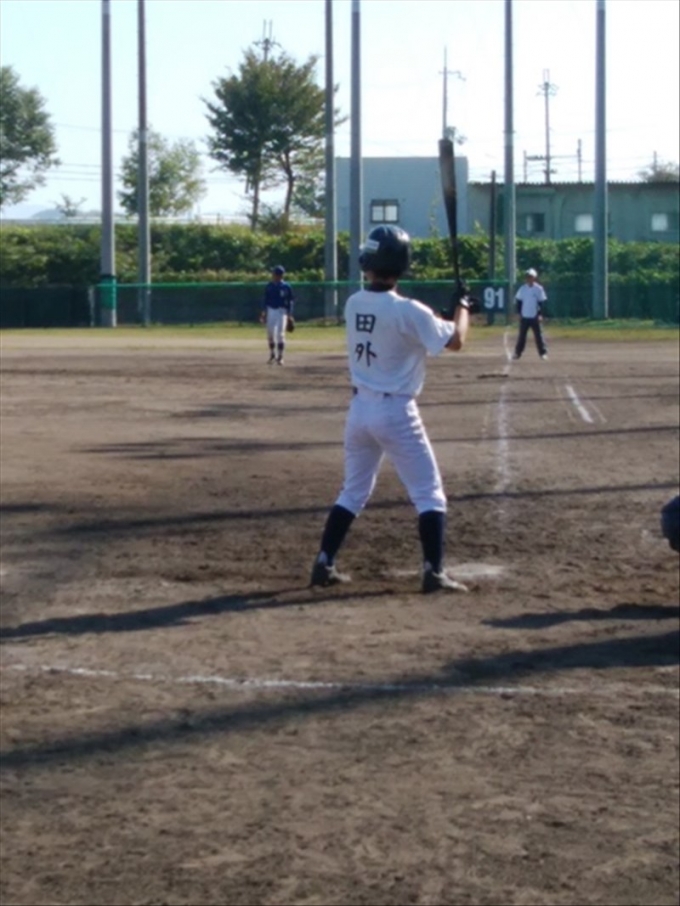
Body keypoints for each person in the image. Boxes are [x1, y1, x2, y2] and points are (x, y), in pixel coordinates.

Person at [309, 224, 471, 594]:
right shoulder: (410, 310)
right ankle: (434, 571)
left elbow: (414, 329)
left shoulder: (353, 303)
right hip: (396, 412)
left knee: (353, 491)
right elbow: (456, 340)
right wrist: (463, 307)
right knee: (429, 493)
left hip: (359, 410)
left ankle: (323, 562)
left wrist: (447, 315)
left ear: (368, 262)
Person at [260, 265, 294, 364]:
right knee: (270, 333)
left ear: (279, 275)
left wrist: (290, 314)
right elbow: (265, 300)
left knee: (280, 334)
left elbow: (290, 301)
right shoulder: (269, 286)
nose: (273, 275)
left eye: (274, 273)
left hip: (282, 311)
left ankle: (280, 356)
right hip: (270, 310)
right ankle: (272, 354)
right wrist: (264, 312)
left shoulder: (286, 286)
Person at [513, 268, 548, 360]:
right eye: (527, 277)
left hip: (534, 316)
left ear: (534, 278)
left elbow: (541, 303)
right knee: (522, 336)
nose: (529, 278)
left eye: (530, 277)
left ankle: (543, 353)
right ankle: (517, 353)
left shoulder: (539, 289)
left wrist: (540, 314)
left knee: (539, 336)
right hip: (525, 316)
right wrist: (519, 314)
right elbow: (519, 302)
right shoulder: (523, 289)